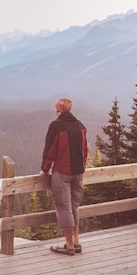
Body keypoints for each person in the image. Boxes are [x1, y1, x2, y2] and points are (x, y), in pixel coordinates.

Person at [39, 97, 88, 256]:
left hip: (62, 173)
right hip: (78, 173)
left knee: (64, 207)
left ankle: (69, 246)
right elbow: (84, 150)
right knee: (74, 207)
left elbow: (50, 151)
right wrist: (83, 166)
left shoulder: (56, 127)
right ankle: (76, 242)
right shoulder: (80, 125)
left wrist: (44, 170)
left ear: (57, 110)